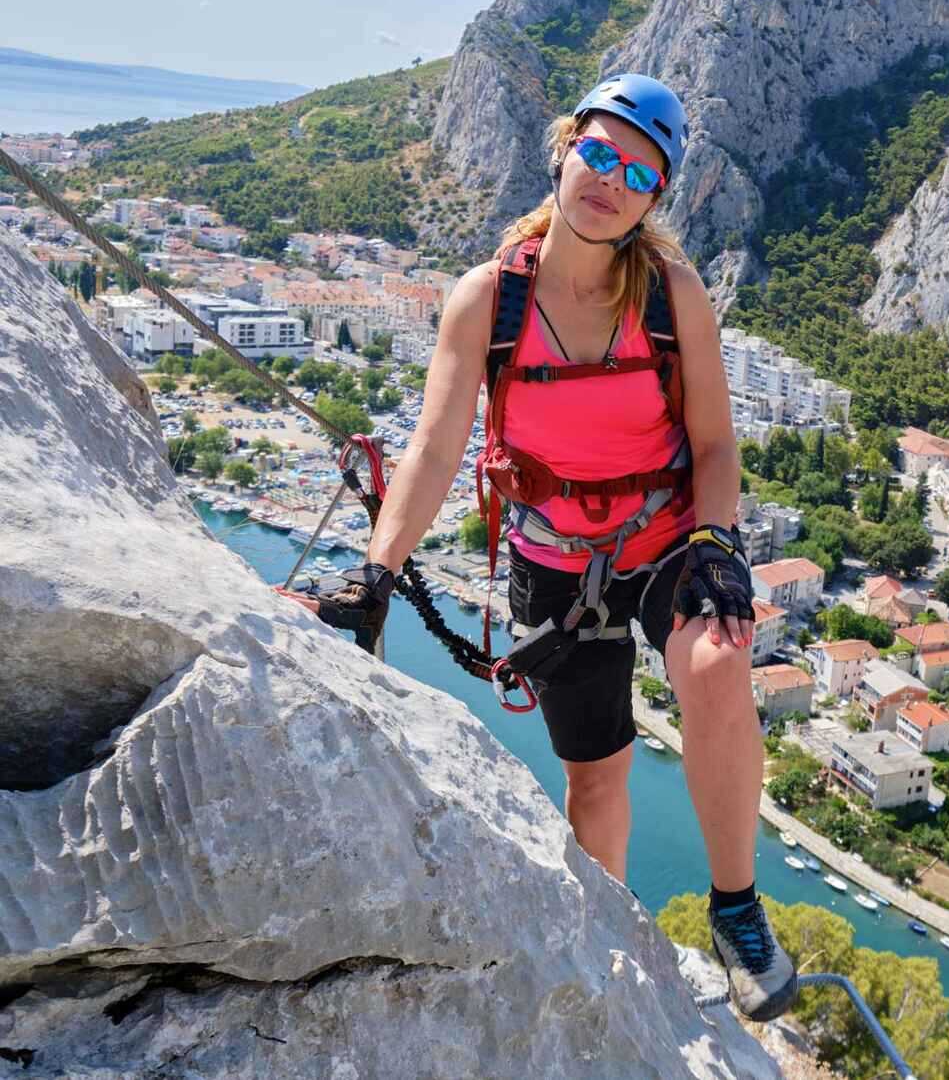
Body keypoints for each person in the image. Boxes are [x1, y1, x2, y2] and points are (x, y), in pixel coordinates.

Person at [277, 74, 796, 1021]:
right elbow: (437, 446)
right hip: (554, 554)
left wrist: (718, 541)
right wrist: (376, 573)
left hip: (665, 529)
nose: (610, 179)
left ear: (654, 200)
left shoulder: (673, 296)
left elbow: (715, 443)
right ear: (564, 148)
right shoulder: (489, 300)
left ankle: (736, 909)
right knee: (595, 778)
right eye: (599, 152)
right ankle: (605, 933)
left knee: (717, 661)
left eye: (637, 172)